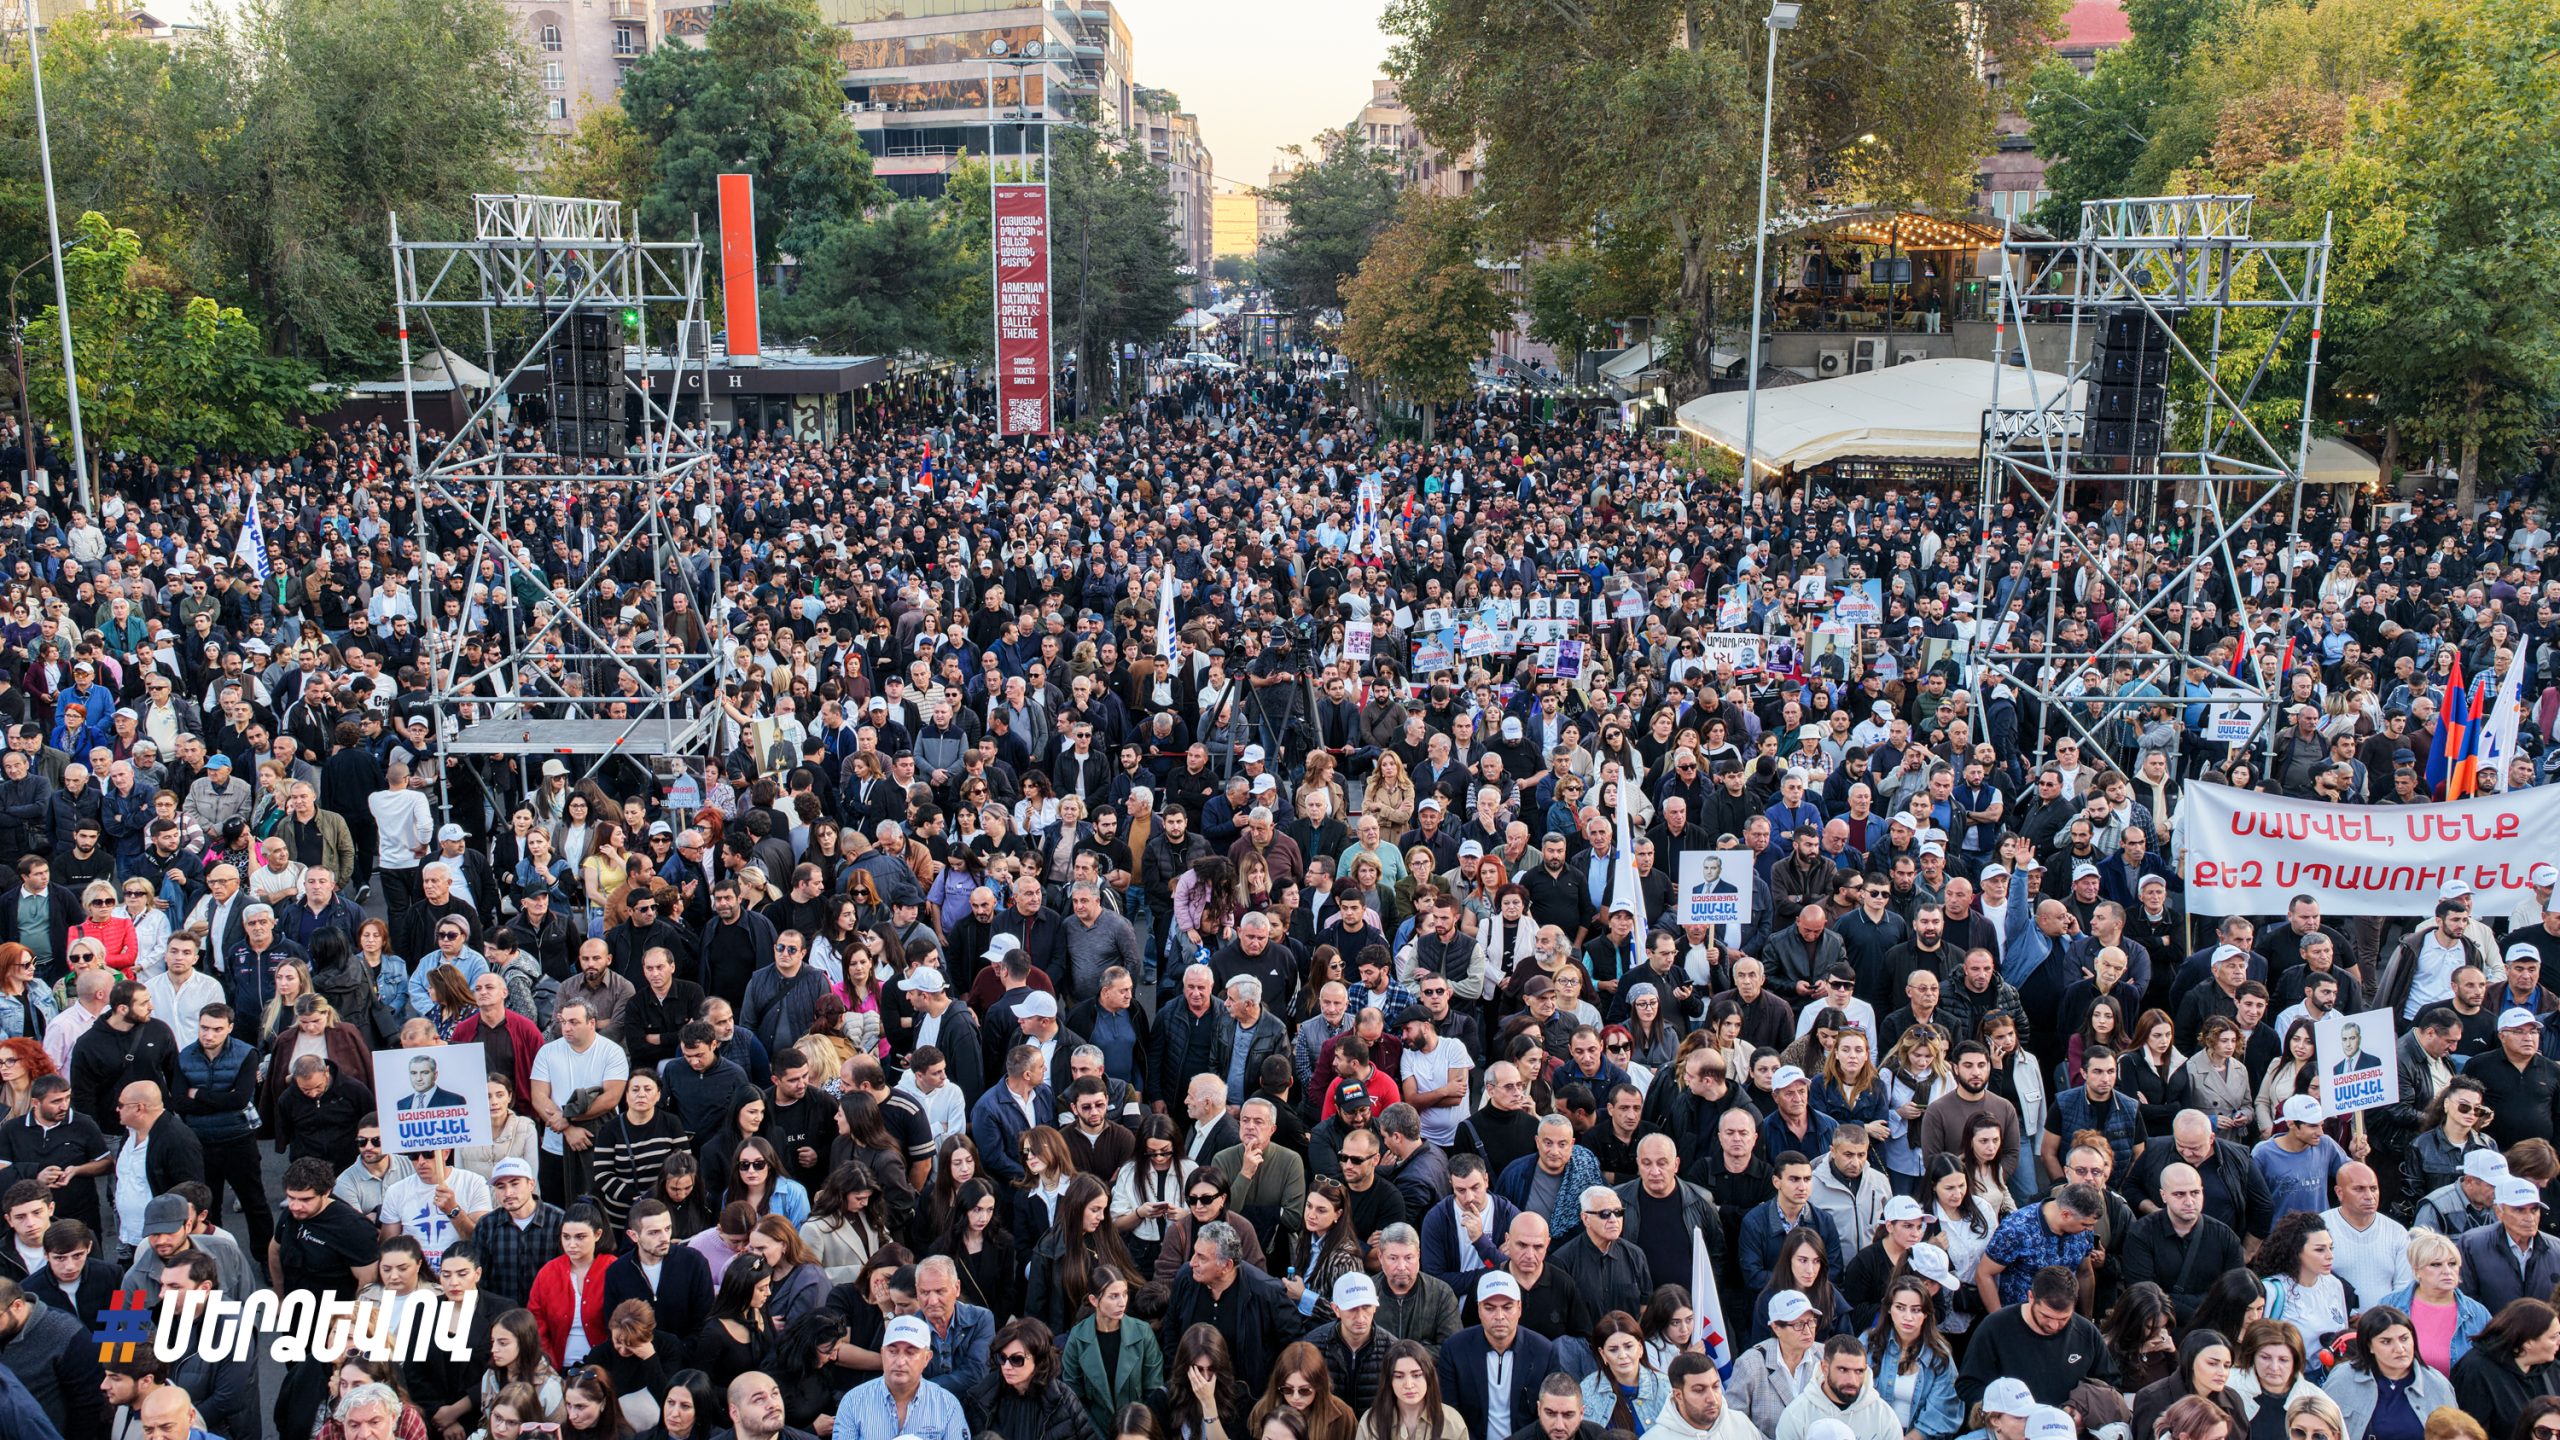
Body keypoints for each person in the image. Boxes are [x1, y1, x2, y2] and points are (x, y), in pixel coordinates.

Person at [2321, 1306, 2456, 1440]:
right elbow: (2320, 1429)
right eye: (2386, 1342)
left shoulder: (2438, 1385)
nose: (2399, 1349)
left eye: (2404, 1339)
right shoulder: (2343, 1379)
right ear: (2369, 1346)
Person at [2451, 1298, 2560, 1440]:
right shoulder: (2476, 1371)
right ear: (2528, 1342)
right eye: (2553, 1337)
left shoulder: (2551, 1368)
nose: (2558, 1342)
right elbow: (2471, 1433)